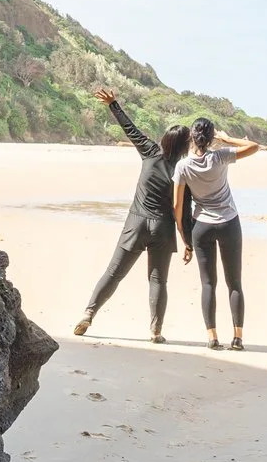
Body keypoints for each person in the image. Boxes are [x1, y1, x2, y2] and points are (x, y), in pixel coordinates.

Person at [73, 88, 190, 342]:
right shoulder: (183, 170)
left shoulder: (150, 151)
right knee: (158, 281)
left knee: (114, 272)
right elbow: (184, 209)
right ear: (183, 146)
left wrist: (113, 103)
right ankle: (156, 330)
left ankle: (88, 313)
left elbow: (130, 128)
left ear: (165, 140)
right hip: (163, 229)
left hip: (136, 223)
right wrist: (188, 241)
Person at [172, 116, 260, 350]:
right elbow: (254, 147)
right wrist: (226, 138)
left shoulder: (183, 166)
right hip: (229, 223)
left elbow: (177, 207)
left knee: (208, 284)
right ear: (211, 138)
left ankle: (212, 338)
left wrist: (185, 239)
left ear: (192, 136)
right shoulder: (220, 156)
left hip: (202, 226)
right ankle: (238, 338)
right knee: (234, 283)